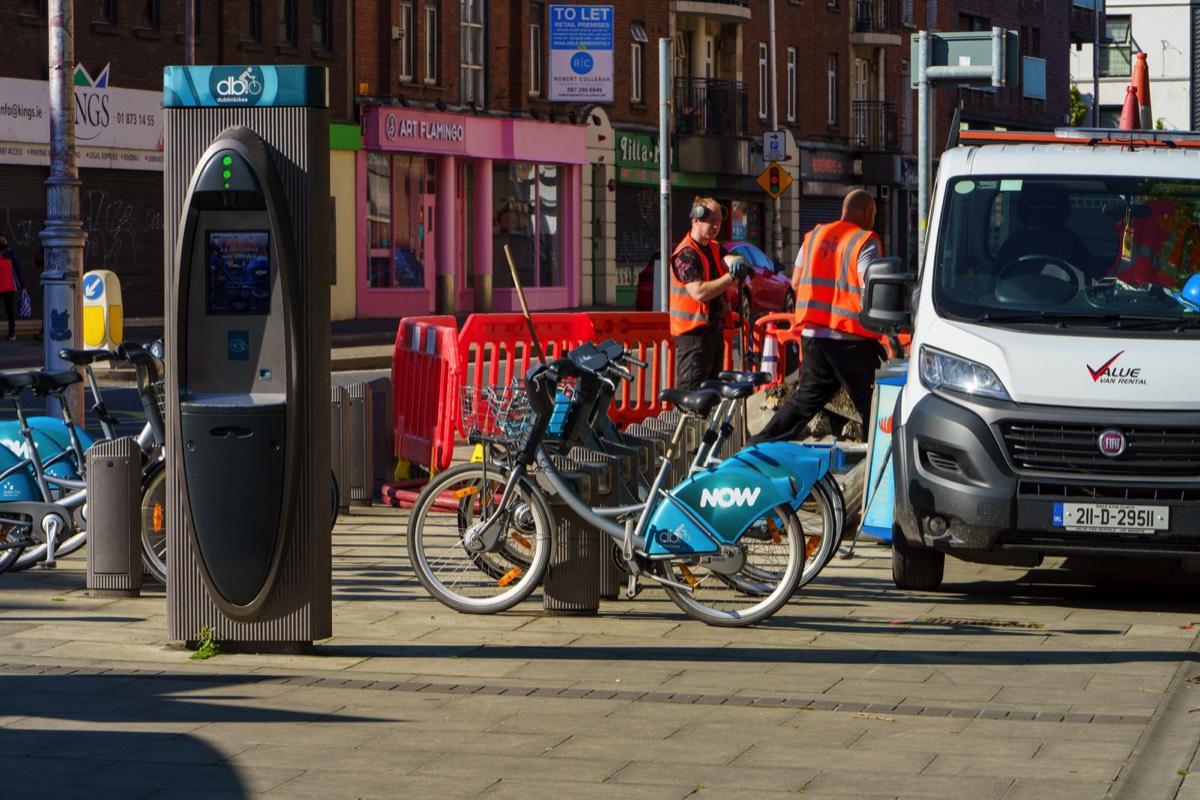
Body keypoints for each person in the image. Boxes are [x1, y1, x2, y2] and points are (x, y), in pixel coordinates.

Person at [748, 189, 887, 445]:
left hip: (813, 336)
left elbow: (797, 282)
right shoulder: (865, 240)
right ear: (868, 212)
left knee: (806, 400)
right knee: (874, 404)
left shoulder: (814, 236)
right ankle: (878, 467)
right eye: (874, 214)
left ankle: (756, 446)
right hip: (849, 338)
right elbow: (872, 290)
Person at [669, 197, 751, 390]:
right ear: (696, 220)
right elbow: (698, 292)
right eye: (711, 221)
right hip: (693, 337)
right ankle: (688, 422)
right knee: (692, 393)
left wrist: (737, 263)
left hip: (713, 332)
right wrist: (731, 277)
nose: (716, 226)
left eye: (719, 221)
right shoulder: (687, 254)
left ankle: (706, 422)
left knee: (712, 392)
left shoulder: (713, 247)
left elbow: (726, 258)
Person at [0, 236, 25, 341]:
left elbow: (17, 269)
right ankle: (11, 333)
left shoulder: (11, 254)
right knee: (9, 309)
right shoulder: (10, 254)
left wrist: (22, 284)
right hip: (7, 285)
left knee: (9, 309)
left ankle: (12, 332)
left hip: (8, 286)